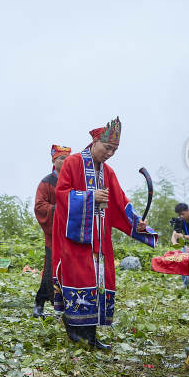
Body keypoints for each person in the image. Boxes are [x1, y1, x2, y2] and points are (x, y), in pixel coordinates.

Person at [52, 117, 157, 350]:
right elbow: (62, 194)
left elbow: (120, 202)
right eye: (107, 147)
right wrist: (90, 197)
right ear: (95, 141)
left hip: (100, 240)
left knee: (97, 282)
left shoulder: (108, 172)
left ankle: (90, 335)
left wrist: (138, 224)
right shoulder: (73, 162)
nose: (110, 153)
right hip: (76, 238)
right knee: (78, 280)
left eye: (115, 149)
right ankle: (75, 332)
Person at [32, 144, 71, 318]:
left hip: (72, 233)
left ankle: (68, 308)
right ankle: (39, 304)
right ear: (53, 160)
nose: (65, 162)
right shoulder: (46, 182)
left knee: (71, 271)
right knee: (51, 270)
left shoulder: (73, 181)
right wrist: (60, 210)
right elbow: (40, 207)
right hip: (54, 234)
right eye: (61, 158)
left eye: (68, 158)